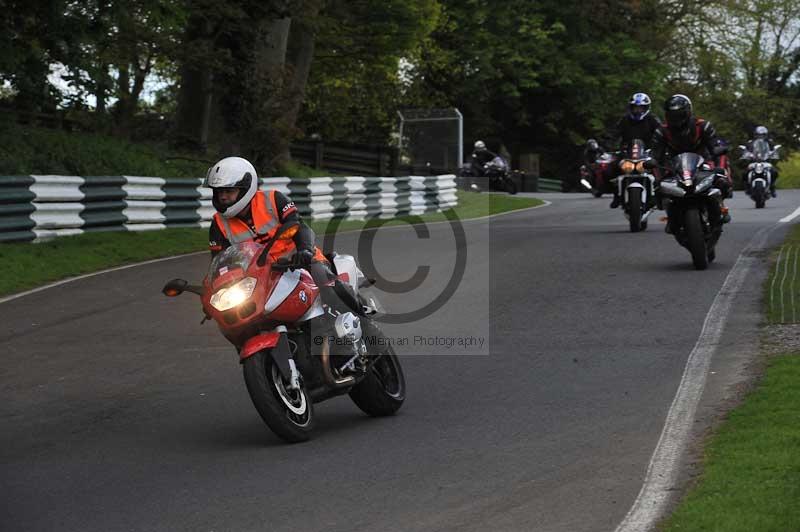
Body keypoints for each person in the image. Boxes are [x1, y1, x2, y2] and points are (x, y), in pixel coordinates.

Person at [206, 156, 365, 322]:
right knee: (241, 321)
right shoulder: (218, 224)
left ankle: (366, 323)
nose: (223, 197)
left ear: (246, 188)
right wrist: (214, 292)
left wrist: (305, 250)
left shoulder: (273, 199)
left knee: (330, 288)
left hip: (299, 262)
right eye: (219, 192)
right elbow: (219, 262)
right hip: (260, 278)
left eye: (229, 191)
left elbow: (300, 226)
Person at [651, 94, 732, 228]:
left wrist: (719, 161)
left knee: (721, 179)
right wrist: (655, 171)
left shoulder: (703, 126)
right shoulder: (662, 131)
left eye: (679, 114)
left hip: (702, 162)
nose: (675, 119)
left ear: (688, 112)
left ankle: (720, 206)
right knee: (659, 189)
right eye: (672, 115)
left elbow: (715, 146)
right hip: (675, 166)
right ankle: (672, 215)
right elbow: (656, 155)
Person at [604, 93, 662, 208]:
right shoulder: (624, 119)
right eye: (635, 107)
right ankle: (616, 195)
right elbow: (614, 133)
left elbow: (661, 134)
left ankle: (658, 195)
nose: (638, 110)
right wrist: (609, 144)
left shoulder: (653, 119)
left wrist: (659, 147)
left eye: (641, 108)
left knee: (659, 168)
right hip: (627, 151)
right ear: (630, 108)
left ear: (646, 108)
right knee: (610, 168)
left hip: (648, 151)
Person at [745, 125, 779, 197]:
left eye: (762, 135)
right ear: (755, 135)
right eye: (758, 135)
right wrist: (746, 154)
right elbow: (747, 150)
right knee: (745, 173)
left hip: (765, 161)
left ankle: (772, 187)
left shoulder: (769, 142)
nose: (760, 137)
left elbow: (773, 150)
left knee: (774, 172)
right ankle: (748, 187)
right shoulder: (751, 142)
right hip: (754, 161)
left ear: (765, 135)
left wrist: (773, 153)